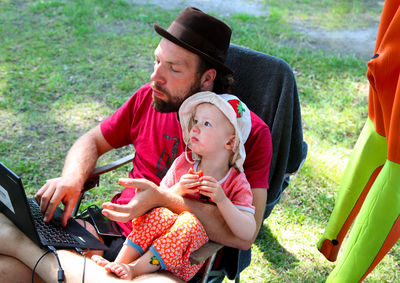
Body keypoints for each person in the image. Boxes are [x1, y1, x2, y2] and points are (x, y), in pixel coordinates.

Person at [0, 6, 272, 282]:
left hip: (169, 255)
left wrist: (164, 198)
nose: (156, 76)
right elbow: (92, 140)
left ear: (207, 78)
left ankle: (27, 247)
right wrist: (72, 177)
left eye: (173, 69)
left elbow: (243, 237)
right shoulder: (149, 97)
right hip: (112, 231)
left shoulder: (247, 134)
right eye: (157, 61)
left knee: (13, 246)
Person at [91, 91, 256, 281]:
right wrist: (179, 189)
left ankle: (134, 269)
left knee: (189, 223)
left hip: (183, 257)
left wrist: (222, 200)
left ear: (230, 142)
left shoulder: (236, 182)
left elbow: (247, 232)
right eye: (195, 122)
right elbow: (158, 199)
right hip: (151, 241)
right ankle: (120, 263)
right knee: (160, 214)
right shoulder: (183, 164)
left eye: (206, 124)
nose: (195, 128)